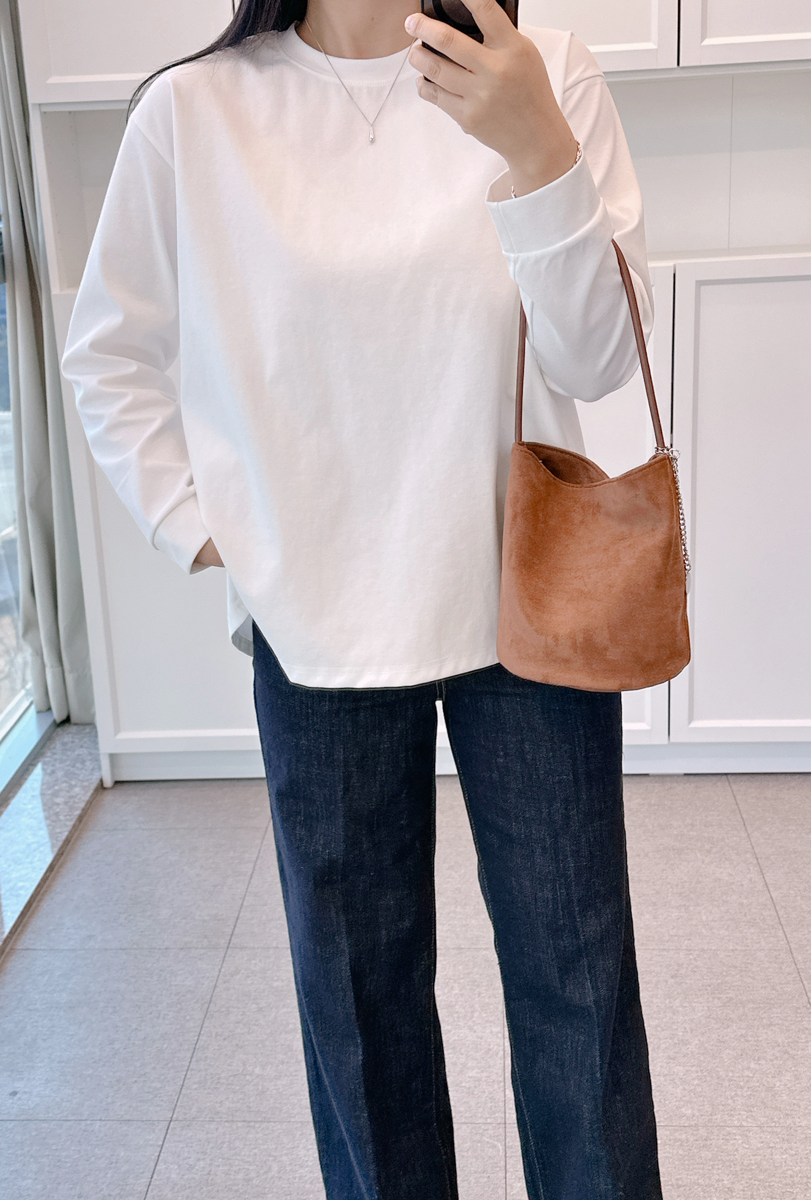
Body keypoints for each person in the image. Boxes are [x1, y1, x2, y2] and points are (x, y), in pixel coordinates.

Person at [61, 1, 663, 1196]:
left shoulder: (542, 73)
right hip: (314, 621)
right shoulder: (194, 111)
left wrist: (537, 145)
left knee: (577, 977)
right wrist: (207, 534)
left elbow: (599, 360)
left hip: (526, 592)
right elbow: (109, 354)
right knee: (358, 997)